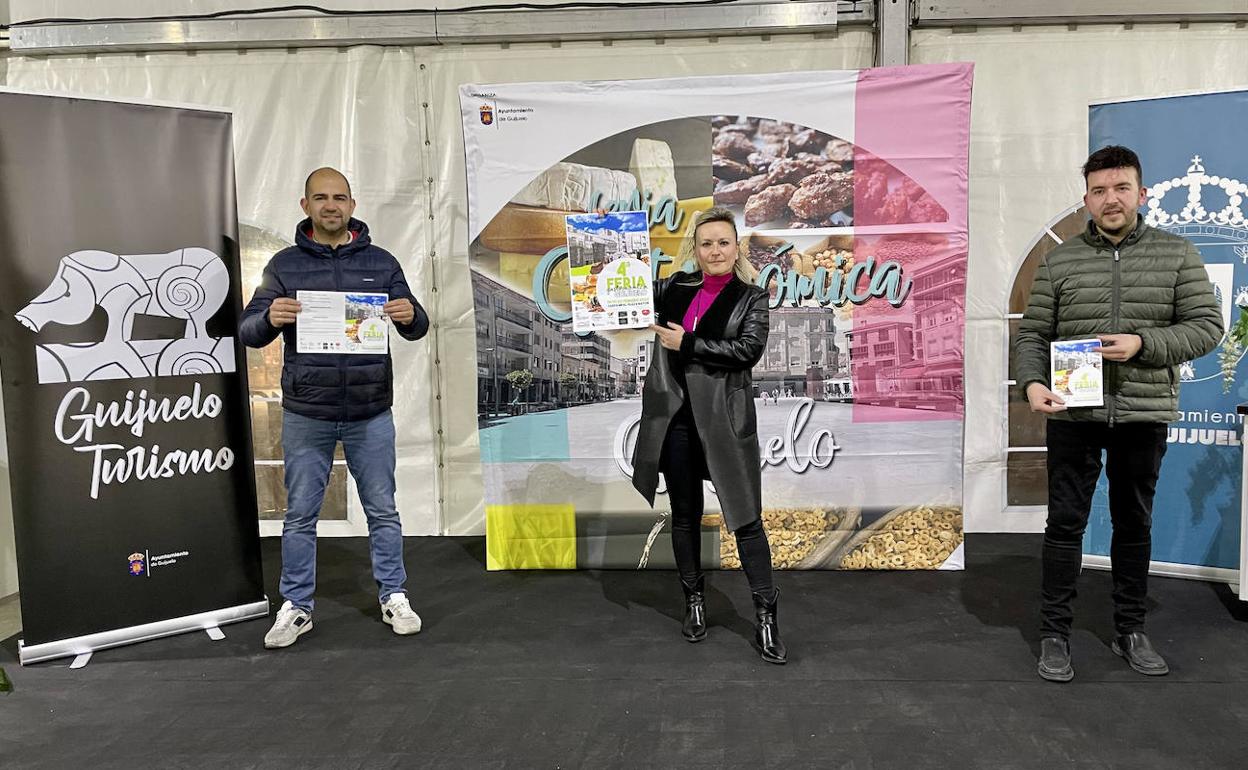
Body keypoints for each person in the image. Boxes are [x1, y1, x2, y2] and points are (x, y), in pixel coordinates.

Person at [1014, 145, 1222, 682]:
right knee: (1064, 524)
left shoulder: (1177, 254)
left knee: (1134, 524)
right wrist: (1033, 383)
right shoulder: (1061, 260)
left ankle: (1131, 628)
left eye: (1121, 188)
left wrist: (1142, 343)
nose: (1111, 199)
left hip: (1142, 414)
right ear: (1086, 199)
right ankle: (1054, 633)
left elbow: (1207, 326)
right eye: (1100, 190)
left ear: (1141, 194)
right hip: (1072, 416)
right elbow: (1035, 333)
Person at [241, 167, 430, 649]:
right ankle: (297, 606)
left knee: (382, 510)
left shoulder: (382, 262)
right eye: (320, 197)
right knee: (301, 513)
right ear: (304, 205)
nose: (331, 205)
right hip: (308, 410)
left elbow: (416, 324)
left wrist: (411, 315)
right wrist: (268, 317)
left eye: (339, 197)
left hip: (370, 410)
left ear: (352, 204)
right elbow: (247, 330)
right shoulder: (283, 265)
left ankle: (394, 594)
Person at [631, 206, 786, 664]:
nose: (715, 251)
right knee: (684, 515)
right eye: (706, 243)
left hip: (723, 420)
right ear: (694, 250)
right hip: (676, 419)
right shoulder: (675, 287)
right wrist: (605, 237)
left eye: (723, 242)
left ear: (736, 247)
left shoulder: (752, 297)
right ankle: (694, 603)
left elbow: (747, 351)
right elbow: (622, 290)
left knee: (747, 520)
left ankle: (766, 617)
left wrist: (689, 344)